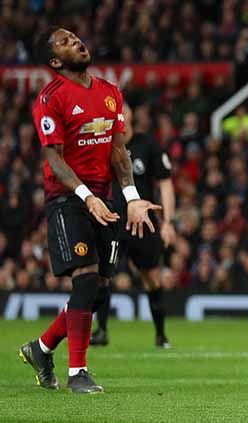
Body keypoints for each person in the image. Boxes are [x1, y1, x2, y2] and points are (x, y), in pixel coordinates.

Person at [18, 27, 160, 394]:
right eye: (64, 42)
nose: (76, 41)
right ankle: (77, 372)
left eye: (74, 36)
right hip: (68, 200)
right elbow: (55, 158)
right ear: (54, 61)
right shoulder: (51, 98)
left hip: (105, 198)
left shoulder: (111, 93)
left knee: (96, 291)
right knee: (84, 278)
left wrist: (130, 197)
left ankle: (41, 347)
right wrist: (86, 196)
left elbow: (118, 153)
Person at [90, 104, 176, 348]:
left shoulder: (147, 144)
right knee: (102, 275)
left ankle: (161, 334)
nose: (121, 118)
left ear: (129, 117)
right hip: (111, 220)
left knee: (151, 277)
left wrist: (168, 222)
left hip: (143, 223)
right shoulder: (102, 145)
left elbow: (166, 183)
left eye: (124, 114)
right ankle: (102, 330)